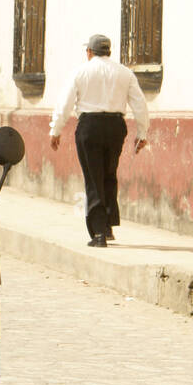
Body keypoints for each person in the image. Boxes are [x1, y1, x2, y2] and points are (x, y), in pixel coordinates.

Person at [49, 33, 149, 247]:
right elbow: (139, 104)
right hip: (115, 127)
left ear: (89, 52)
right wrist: (142, 133)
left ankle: (98, 233)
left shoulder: (80, 72)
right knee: (109, 175)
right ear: (109, 51)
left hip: (90, 126)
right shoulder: (125, 73)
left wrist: (55, 130)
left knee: (93, 178)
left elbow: (65, 103)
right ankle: (109, 225)